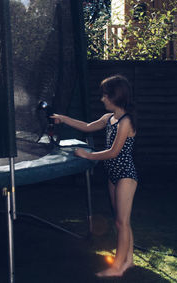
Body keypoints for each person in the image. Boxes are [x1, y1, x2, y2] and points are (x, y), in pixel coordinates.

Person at [50, 74, 138, 277]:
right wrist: (63, 119)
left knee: (121, 222)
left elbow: (114, 152)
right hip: (113, 174)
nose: (102, 99)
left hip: (126, 175)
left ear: (115, 96)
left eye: (105, 95)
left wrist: (87, 155)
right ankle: (129, 260)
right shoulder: (110, 119)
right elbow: (87, 126)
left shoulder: (126, 122)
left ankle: (117, 268)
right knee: (122, 220)